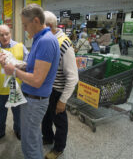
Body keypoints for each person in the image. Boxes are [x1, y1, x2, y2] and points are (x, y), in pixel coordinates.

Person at [0, 4, 60, 159]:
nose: (25, 28)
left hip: (35, 100)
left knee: (29, 143)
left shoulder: (46, 41)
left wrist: (13, 71)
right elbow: (34, 68)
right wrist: (17, 64)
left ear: (35, 21)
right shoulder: (39, 39)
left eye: (25, 25)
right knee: (32, 138)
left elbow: (37, 80)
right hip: (32, 98)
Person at [42, 11, 78, 159]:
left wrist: (63, 100)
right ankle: (48, 137)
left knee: (60, 122)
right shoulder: (48, 39)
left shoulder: (64, 44)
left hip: (58, 92)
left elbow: (73, 77)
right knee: (46, 117)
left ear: (49, 26)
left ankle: (58, 148)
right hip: (48, 90)